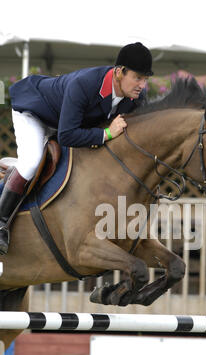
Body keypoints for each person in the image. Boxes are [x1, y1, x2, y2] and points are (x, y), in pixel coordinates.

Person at [0, 42, 153, 255]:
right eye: (138, 77)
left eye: (145, 79)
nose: (142, 85)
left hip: (64, 120)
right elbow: (67, 135)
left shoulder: (135, 99)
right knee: (32, 161)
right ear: (119, 72)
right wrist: (107, 134)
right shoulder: (85, 84)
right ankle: (1, 222)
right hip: (35, 112)